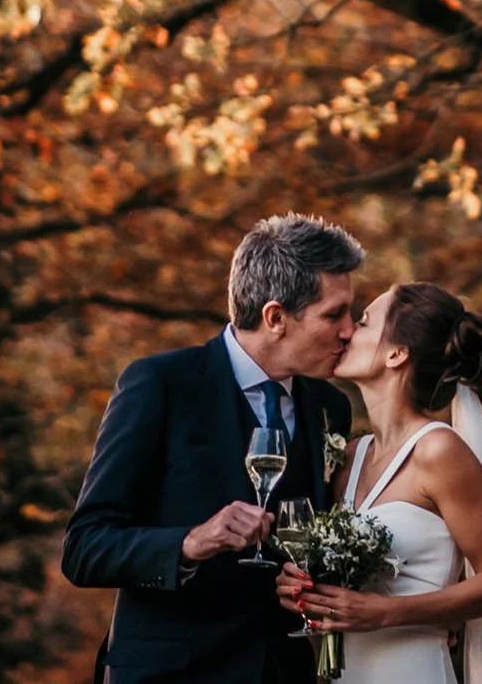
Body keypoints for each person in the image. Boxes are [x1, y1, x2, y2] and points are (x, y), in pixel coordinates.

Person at [63, 214, 362, 684]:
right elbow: (85, 548)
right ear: (275, 317)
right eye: (334, 315)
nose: (349, 331)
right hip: (172, 672)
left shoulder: (331, 408)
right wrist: (189, 543)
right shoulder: (160, 385)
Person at [277, 283, 482, 684]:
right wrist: (303, 586)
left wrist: (385, 613)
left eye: (362, 323)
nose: (346, 332)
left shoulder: (439, 451)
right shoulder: (349, 455)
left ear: (396, 354)